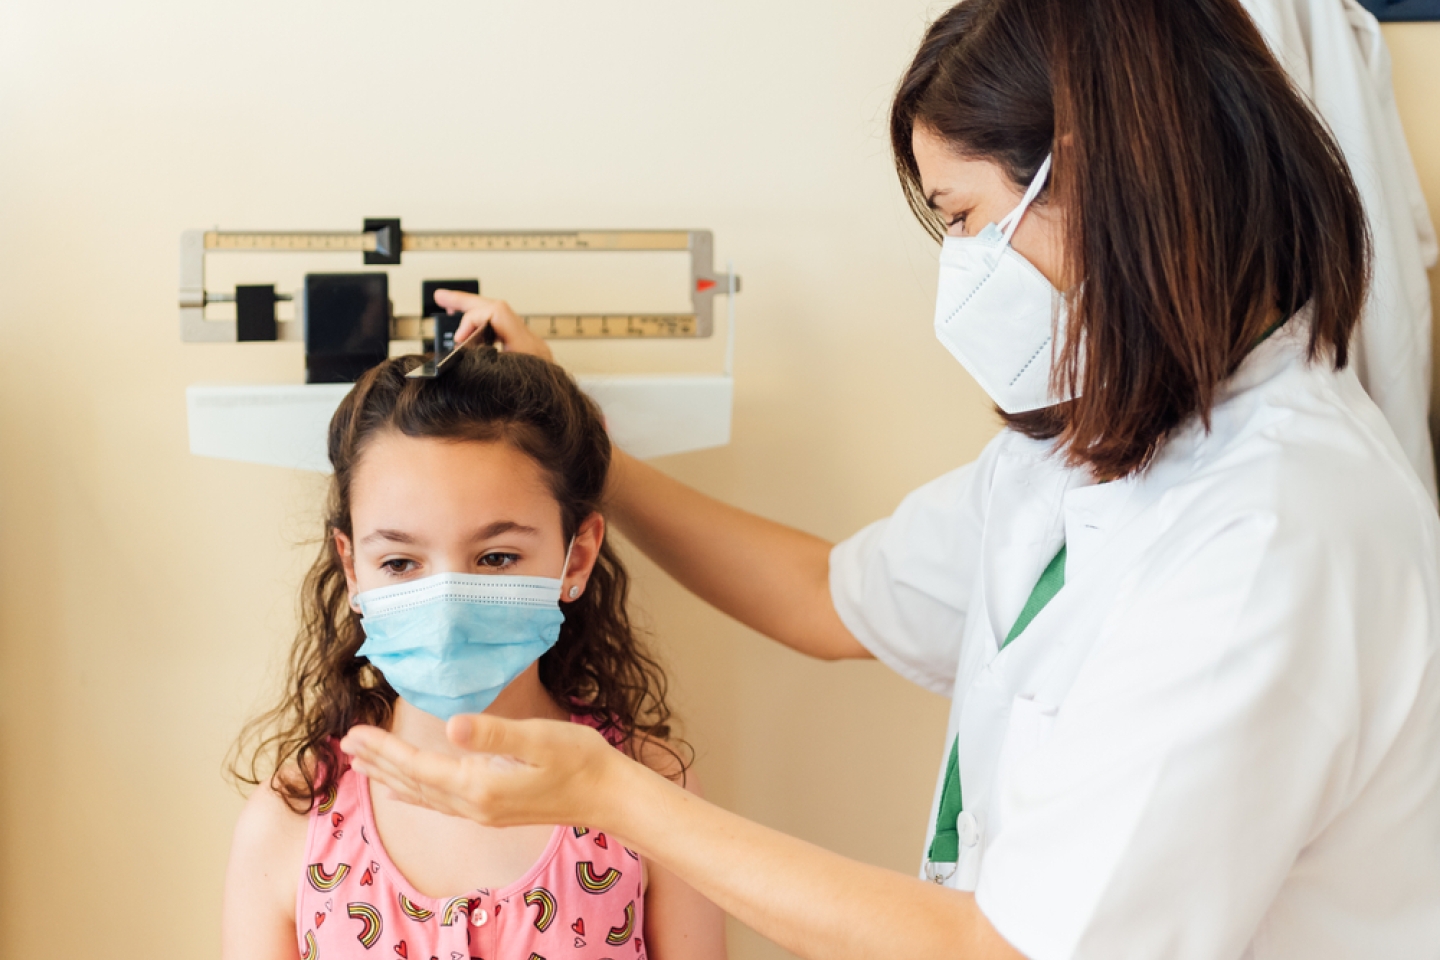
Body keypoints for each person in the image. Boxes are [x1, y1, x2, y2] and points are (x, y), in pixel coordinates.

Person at [340, 0, 1440, 957]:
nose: (957, 271)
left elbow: (1009, 949)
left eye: (964, 219)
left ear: (1107, 174)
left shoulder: (1279, 534)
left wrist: (609, 795)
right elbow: (828, 596)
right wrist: (588, 453)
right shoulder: (1092, 448)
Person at [221, 349, 726, 960]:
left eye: (496, 558)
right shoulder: (291, 819)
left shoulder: (651, 791)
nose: (449, 603)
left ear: (579, 556)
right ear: (352, 567)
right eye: (401, 562)